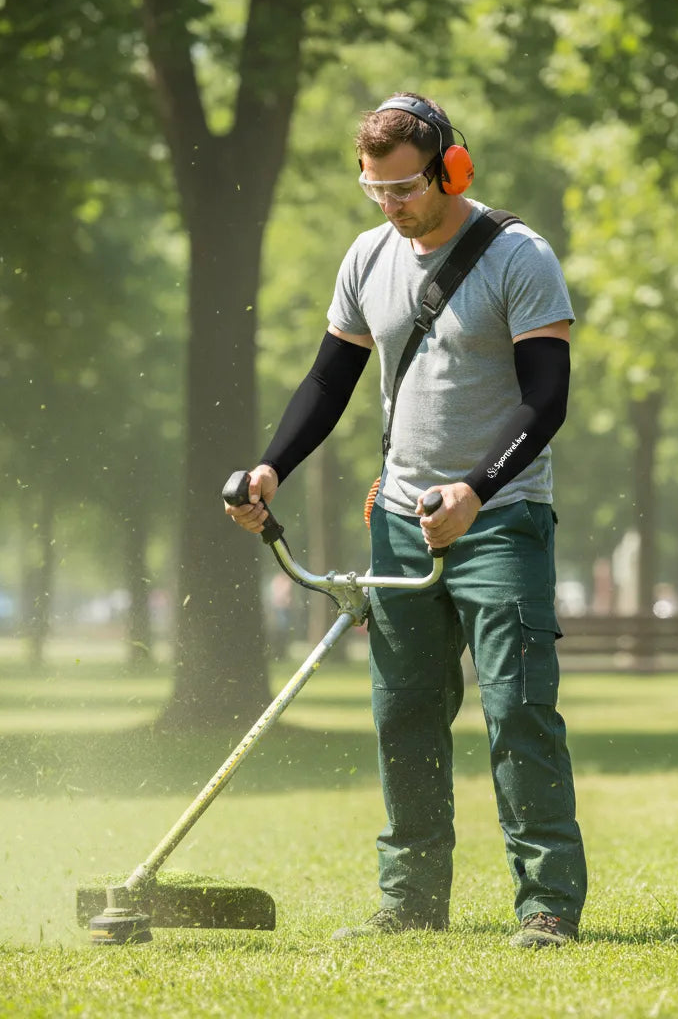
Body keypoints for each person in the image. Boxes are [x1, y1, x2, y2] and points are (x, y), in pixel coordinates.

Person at [225, 92, 587, 948]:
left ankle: (546, 905)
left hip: (500, 518)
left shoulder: (519, 257)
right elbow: (327, 383)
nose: (393, 207)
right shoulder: (367, 257)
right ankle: (411, 900)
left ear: (451, 167)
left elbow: (548, 399)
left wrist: (473, 490)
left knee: (519, 709)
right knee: (402, 713)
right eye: (374, 191)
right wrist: (273, 466)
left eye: (407, 188)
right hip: (397, 518)